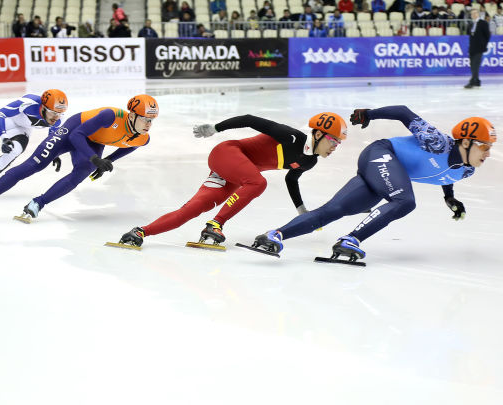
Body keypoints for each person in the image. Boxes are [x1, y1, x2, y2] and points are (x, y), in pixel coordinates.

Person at [249, 106, 496, 261]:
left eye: (491, 147)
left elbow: (446, 175)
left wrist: (449, 198)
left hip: (386, 171)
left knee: (334, 209)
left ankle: (275, 235)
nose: (488, 153)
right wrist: (368, 114)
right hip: (381, 153)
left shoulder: (466, 172)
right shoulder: (437, 141)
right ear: (465, 142)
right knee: (404, 200)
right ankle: (351, 240)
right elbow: (403, 112)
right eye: (484, 146)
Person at [116, 112, 348, 248]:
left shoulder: (311, 161)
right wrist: (215, 128)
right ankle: (215, 225)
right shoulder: (292, 137)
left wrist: (301, 210)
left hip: (238, 175)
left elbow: (291, 179)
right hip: (227, 153)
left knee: (192, 208)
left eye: (339, 144)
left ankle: (140, 233)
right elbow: (249, 119)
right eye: (334, 141)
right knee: (259, 183)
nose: (335, 148)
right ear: (318, 134)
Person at [0, 95, 159, 221]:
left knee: (81, 173)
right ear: (132, 115)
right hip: (74, 130)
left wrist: (106, 162)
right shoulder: (110, 116)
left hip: (94, 141)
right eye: (144, 118)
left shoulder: (143, 139)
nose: (148, 124)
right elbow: (76, 136)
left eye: (151, 120)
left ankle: (38, 203)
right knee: (35, 165)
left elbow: (130, 147)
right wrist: (94, 158)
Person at [465, 8, 491, 89]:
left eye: (475, 13)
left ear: (478, 14)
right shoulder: (471, 24)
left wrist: (484, 45)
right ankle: (477, 81)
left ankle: (472, 82)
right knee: (472, 65)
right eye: (472, 14)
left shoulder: (483, 23)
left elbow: (487, 35)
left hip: (479, 48)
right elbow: (469, 34)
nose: (474, 15)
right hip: (472, 48)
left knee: (475, 65)